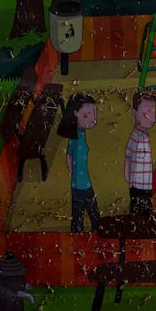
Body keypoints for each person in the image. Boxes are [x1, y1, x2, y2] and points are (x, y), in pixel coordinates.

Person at [57, 94, 101, 233]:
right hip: (83, 184)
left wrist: (72, 170)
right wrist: (72, 170)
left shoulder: (77, 135)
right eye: (88, 114)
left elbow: (70, 154)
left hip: (78, 183)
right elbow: (70, 154)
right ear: (76, 113)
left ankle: (80, 233)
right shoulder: (75, 136)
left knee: (79, 213)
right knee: (91, 213)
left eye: (93, 113)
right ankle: (91, 233)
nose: (93, 119)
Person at [123, 92, 156, 214]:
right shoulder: (136, 137)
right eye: (147, 112)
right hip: (137, 186)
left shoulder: (145, 136)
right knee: (137, 211)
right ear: (134, 113)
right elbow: (128, 156)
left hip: (147, 185)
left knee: (147, 211)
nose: (152, 118)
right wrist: (129, 178)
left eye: (153, 111)